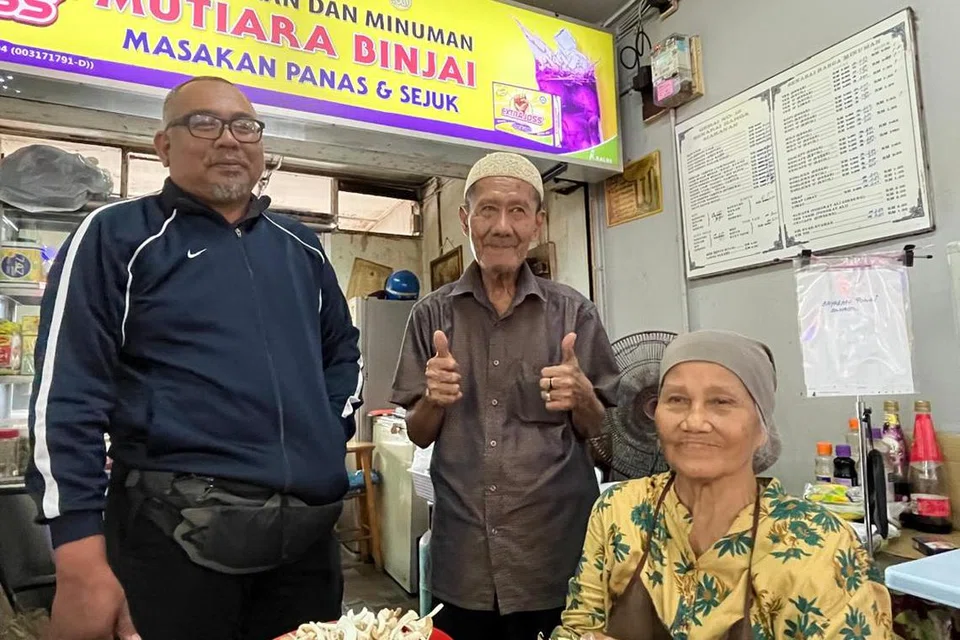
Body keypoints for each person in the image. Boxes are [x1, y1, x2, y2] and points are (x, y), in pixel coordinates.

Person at [26, 76, 363, 640]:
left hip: (304, 546)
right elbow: (67, 395)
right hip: (172, 544)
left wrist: (326, 430)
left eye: (245, 126)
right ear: (163, 146)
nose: (228, 140)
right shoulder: (116, 236)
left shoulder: (302, 246)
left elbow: (343, 352)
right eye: (204, 123)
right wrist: (80, 563)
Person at [391, 152, 620, 640]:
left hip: (555, 560)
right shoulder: (430, 316)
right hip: (465, 563)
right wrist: (433, 399)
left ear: (538, 222)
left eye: (517, 211)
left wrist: (582, 396)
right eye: (487, 210)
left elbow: (608, 437)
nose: (502, 226)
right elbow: (418, 432)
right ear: (464, 219)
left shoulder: (574, 314)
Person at [550, 330, 896, 640]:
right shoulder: (619, 511)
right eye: (676, 400)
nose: (694, 421)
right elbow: (578, 628)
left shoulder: (818, 545)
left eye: (721, 402)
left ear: (762, 428)